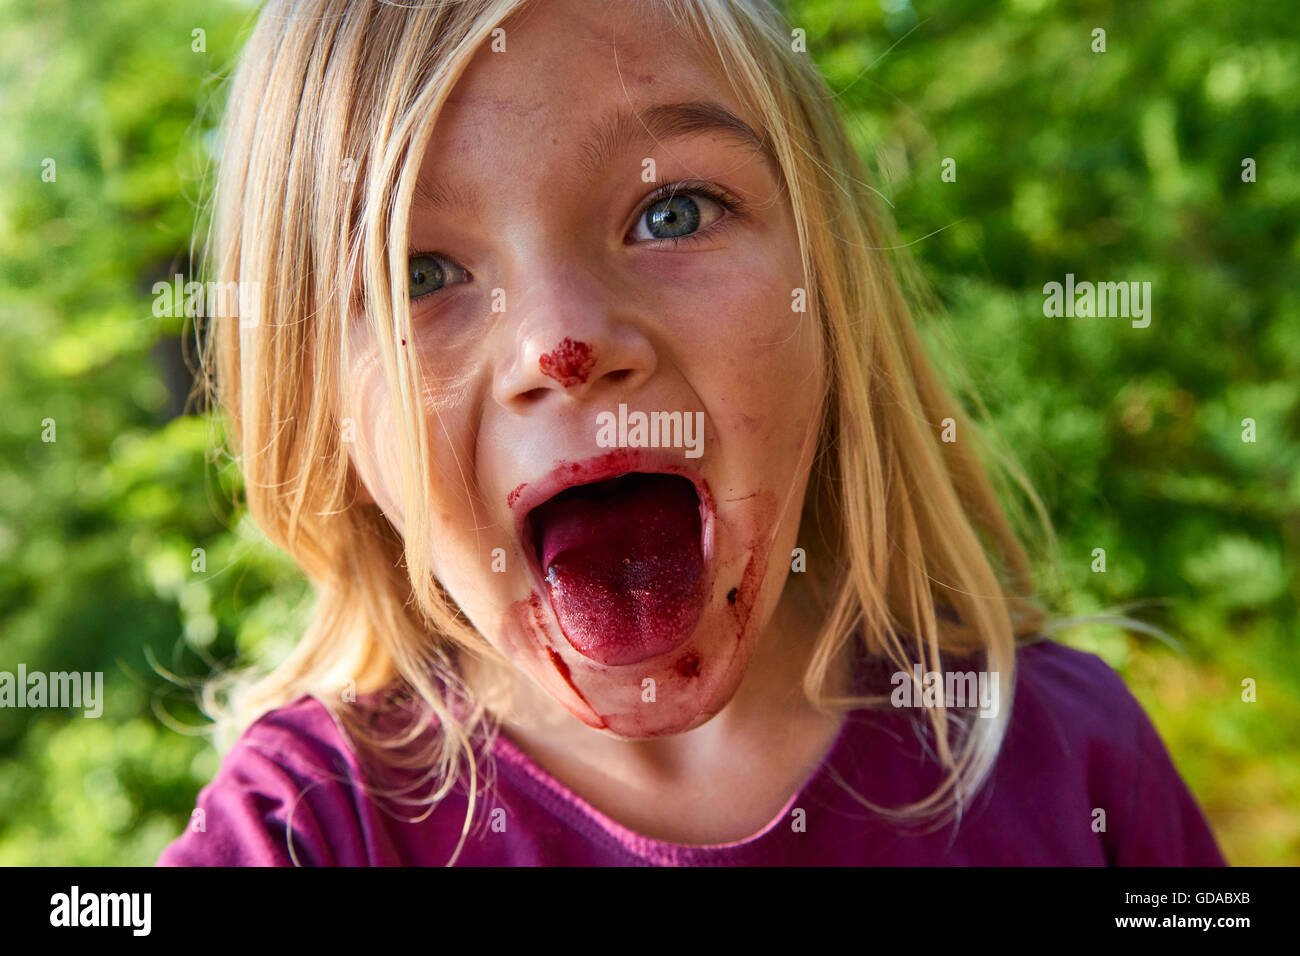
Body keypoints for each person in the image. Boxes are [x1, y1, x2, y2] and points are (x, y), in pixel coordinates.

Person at [157, 0, 1225, 866]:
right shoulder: (304, 832)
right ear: (314, 404)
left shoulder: (1066, 760)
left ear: (826, 282)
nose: (563, 342)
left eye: (670, 211)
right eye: (417, 276)